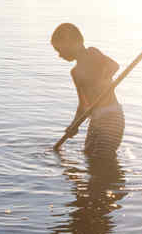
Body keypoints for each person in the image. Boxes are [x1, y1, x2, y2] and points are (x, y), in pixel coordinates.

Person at [51, 22, 125, 156]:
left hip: (111, 117)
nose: (60, 55)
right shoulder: (75, 73)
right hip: (96, 120)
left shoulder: (92, 53)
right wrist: (74, 125)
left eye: (60, 50)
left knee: (102, 159)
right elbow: (83, 104)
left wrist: (103, 79)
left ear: (71, 43)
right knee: (88, 155)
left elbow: (114, 66)